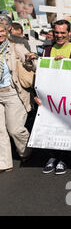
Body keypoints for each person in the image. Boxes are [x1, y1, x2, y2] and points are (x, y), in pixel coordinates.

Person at [42, 20, 71, 175]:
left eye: (63, 33)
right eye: (57, 32)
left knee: (66, 129)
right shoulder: (46, 50)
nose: (59, 35)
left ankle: (64, 158)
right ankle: (53, 157)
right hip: (51, 96)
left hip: (70, 96)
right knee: (51, 128)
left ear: (69, 34)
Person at [0, 22, 36, 173]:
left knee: (14, 129)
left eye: (1, 31)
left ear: (7, 30)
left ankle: (26, 151)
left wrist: (29, 61)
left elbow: (33, 67)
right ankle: (4, 163)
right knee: (0, 130)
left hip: (14, 92)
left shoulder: (16, 47)